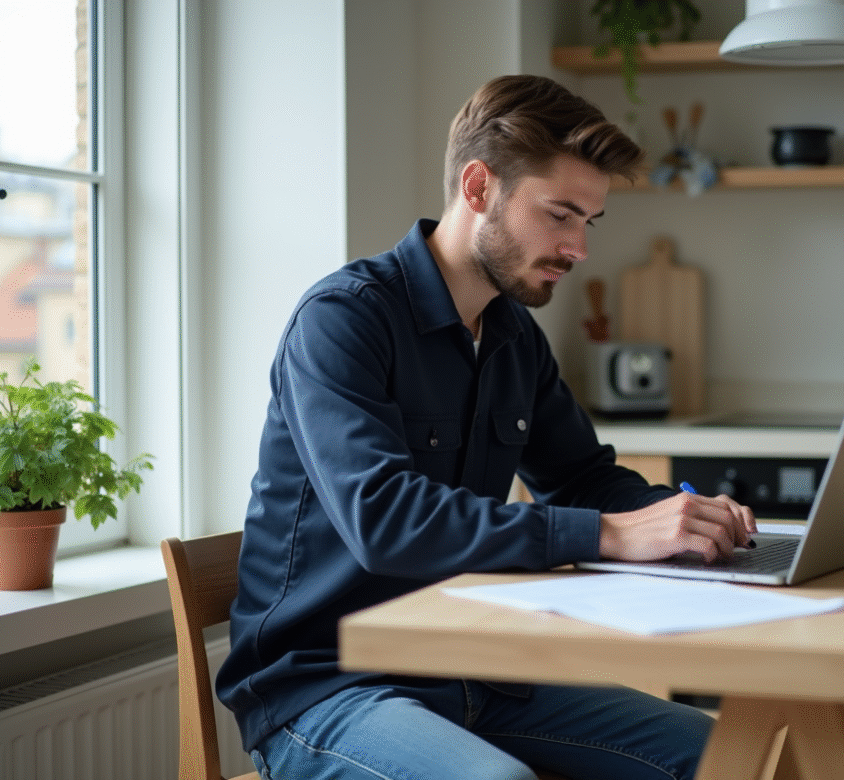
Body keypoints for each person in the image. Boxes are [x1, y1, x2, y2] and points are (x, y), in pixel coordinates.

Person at [218, 74, 756, 780]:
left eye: (588, 223)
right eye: (560, 214)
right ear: (478, 188)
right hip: (328, 686)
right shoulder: (343, 320)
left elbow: (582, 476)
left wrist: (680, 518)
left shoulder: (513, 335)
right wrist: (612, 533)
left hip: (473, 669)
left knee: (730, 757)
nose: (578, 248)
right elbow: (385, 519)